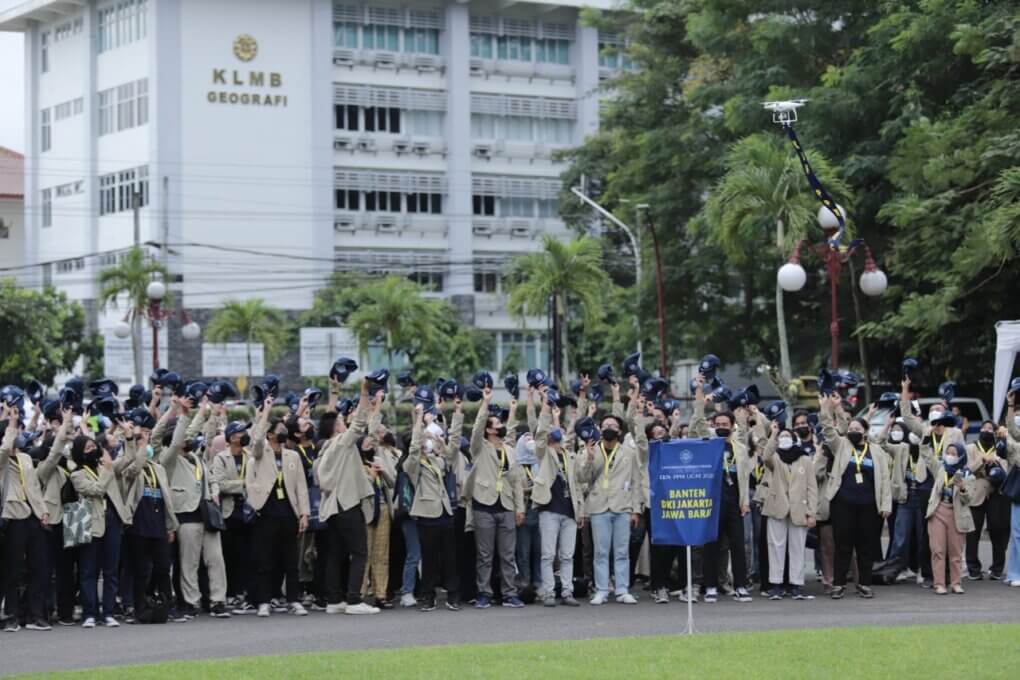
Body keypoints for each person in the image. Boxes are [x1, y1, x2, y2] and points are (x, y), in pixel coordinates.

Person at [158, 397, 230, 619]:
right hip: (185, 515)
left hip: (207, 513)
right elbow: (183, 436)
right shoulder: (168, 458)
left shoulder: (196, 459)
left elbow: (206, 436)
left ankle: (218, 600)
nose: (189, 440)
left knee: (215, 559)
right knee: (189, 562)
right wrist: (185, 415)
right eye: (184, 438)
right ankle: (192, 601)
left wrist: (209, 411)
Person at [315, 381, 379, 615]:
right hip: (347, 505)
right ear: (337, 428)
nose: (345, 423)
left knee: (335, 554)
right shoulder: (341, 442)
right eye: (342, 422)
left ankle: (334, 600)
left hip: (332, 507)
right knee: (360, 551)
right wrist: (364, 393)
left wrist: (334, 391)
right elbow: (360, 422)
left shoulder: (325, 447)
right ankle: (353, 600)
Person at [819, 394, 892, 599]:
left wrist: (885, 505)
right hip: (843, 505)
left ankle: (865, 584)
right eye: (851, 429)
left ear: (865, 432)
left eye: (857, 430)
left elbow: (884, 480)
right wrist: (828, 407)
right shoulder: (841, 445)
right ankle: (839, 585)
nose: (853, 432)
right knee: (843, 546)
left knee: (866, 546)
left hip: (870, 507)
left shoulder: (876, 451)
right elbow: (827, 428)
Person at [688, 376, 753, 603]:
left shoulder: (741, 448)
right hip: (712, 500)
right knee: (711, 545)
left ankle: (741, 586)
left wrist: (745, 501)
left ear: (732, 427)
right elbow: (695, 426)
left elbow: (745, 477)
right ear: (714, 426)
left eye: (726, 425)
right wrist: (699, 395)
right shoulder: (707, 443)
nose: (723, 428)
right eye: (719, 425)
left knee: (738, 544)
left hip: (735, 500)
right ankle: (711, 586)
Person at [69, 420, 138, 627]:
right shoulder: (77, 473)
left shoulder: (105, 465)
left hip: (113, 521)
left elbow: (128, 459)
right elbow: (97, 490)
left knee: (111, 569)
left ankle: (108, 612)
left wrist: (128, 438)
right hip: (91, 522)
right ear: (80, 453)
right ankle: (89, 613)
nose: (93, 450)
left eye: (93, 446)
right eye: (88, 448)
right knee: (89, 570)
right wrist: (107, 471)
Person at [247, 397, 311, 617]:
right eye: (280, 428)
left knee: (291, 560)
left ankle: (294, 599)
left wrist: (304, 513)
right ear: (270, 434)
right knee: (265, 560)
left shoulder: (292, 455)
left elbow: (301, 486)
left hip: (288, 513)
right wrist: (266, 412)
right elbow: (255, 439)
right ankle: (263, 601)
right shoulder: (260, 453)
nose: (284, 431)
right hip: (266, 512)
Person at [577, 407, 646, 605]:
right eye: (605, 425)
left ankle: (622, 589)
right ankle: (601, 589)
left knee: (622, 551)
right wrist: (589, 459)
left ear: (620, 432)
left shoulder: (629, 453)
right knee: (600, 551)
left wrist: (636, 509)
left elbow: (635, 482)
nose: (609, 428)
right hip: (598, 506)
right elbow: (582, 478)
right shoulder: (590, 449)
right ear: (599, 428)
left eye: (613, 426)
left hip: (622, 507)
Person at [465, 385, 525, 609]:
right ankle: (484, 593)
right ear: (489, 430)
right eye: (496, 424)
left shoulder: (509, 450)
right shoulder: (479, 447)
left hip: (506, 506)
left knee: (508, 554)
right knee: (485, 555)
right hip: (484, 505)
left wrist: (520, 508)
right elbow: (477, 427)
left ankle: (510, 594)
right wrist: (485, 403)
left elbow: (516, 481)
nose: (500, 426)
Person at [405, 401, 462, 611]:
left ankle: (453, 595)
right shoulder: (413, 464)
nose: (427, 441)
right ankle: (427, 596)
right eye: (425, 439)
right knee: (428, 559)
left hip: (444, 512)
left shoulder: (439, 461)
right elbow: (413, 448)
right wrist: (419, 419)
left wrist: (456, 415)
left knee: (450, 558)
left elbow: (452, 447)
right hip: (427, 514)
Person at [121, 418, 179, 624]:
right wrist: (142, 447)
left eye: (145, 439)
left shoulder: (158, 468)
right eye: (139, 439)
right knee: (141, 570)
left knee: (163, 567)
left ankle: (166, 604)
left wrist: (170, 526)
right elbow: (134, 469)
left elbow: (167, 499)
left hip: (158, 523)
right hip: (139, 524)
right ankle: (139, 607)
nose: (144, 442)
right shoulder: (130, 468)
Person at [0, 406, 51, 632]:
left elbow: (33, 487)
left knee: (39, 567)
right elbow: (3, 450)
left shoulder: (25, 458)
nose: (17, 435)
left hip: (33, 516)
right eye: (13, 432)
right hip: (12, 516)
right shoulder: (1, 459)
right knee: (13, 568)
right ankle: (11, 615)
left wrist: (43, 511)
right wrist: (10, 424)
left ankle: (35, 615)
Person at [533, 395, 583, 607]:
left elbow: (577, 485)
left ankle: (567, 591)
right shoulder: (544, 453)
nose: (561, 432)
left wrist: (579, 511)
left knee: (567, 555)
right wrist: (546, 409)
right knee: (548, 554)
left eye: (562, 430)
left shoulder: (569, 456)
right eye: (558, 431)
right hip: (550, 508)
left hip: (569, 510)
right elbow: (540, 435)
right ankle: (548, 592)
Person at [761, 420, 817, 600]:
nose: (784, 439)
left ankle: (796, 585)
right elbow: (765, 457)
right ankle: (776, 584)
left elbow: (812, 487)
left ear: (794, 439)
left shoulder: (805, 459)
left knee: (797, 547)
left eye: (787, 436)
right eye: (782, 437)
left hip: (799, 509)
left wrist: (811, 512)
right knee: (776, 547)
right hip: (777, 507)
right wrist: (773, 435)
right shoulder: (775, 457)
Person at [881, 418, 932, 584]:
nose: (915, 436)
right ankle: (895, 570)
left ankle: (921, 570)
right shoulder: (902, 448)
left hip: (923, 498)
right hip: (906, 497)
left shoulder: (927, 450)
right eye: (913, 434)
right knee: (900, 537)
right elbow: (881, 444)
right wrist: (887, 426)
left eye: (918, 434)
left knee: (922, 536)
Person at [212, 420, 255, 614]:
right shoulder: (221, 458)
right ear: (231, 438)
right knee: (228, 555)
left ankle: (242, 593)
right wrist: (244, 484)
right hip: (229, 513)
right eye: (240, 432)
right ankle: (228, 594)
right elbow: (220, 484)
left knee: (246, 555)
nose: (244, 434)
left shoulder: (250, 455)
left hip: (249, 511)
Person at [925, 442, 975, 594]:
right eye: (948, 453)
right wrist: (926, 435)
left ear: (961, 456)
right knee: (938, 550)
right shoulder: (940, 468)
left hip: (957, 514)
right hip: (938, 510)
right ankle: (939, 584)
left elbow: (969, 499)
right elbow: (926, 454)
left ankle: (956, 583)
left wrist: (962, 488)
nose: (950, 456)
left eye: (954, 454)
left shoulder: (968, 475)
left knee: (955, 552)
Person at [964, 421, 1011, 580]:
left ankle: (997, 569)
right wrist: (983, 460)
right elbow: (968, 469)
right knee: (973, 533)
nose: (986, 430)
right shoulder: (971, 447)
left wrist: (996, 462)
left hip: (996, 494)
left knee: (997, 531)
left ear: (995, 432)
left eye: (990, 429)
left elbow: (1006, 470)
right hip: (976, 494)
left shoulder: (1000, 447)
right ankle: (973, 568)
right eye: (984, 428)